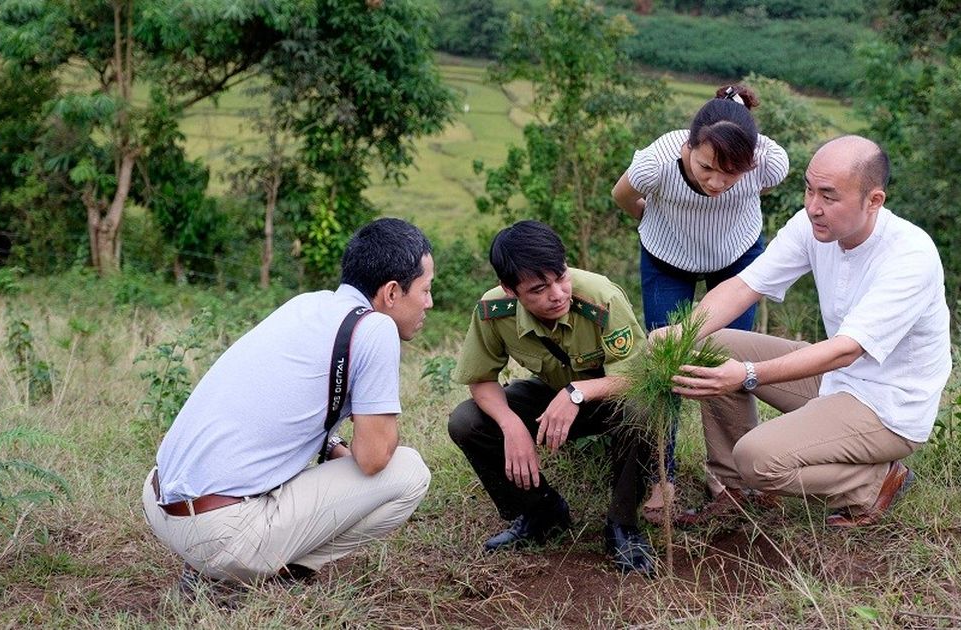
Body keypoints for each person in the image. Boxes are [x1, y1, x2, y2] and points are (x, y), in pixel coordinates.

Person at [660, 135, 951, 528]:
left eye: (829, 196)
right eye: (809, 190)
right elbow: (746, 286)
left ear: (874, 201)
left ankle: (873, 482)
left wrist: (747, 373)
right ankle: (737, 494)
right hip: (836, 379)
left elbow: (846, 350)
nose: (813, 207)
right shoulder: (812, 225)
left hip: (887, 407)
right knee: (709, 346)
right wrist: (683, 333)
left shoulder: (910, 256)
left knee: (757, 458)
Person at [142, 218, 435, 587]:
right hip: (219, 534)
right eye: (425, 290)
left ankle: (225, 562)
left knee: (338, 461)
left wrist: (332, 447)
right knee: (408, 471)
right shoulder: (375, 329)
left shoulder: (306, 305)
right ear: (392, 293)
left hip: (158, 502)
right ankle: (267, 573)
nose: (429, 303)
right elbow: (375, 457)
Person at [611, 83, 790, 517]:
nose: (717, 182)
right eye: (707, 167)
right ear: (689, 145)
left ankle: (728, 478)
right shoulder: (655, 163)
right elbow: (622, 196)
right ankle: (661, 475)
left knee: (725, 361)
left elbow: (755, 189)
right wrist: (659, 219)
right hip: (667, 256)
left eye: (732, 174)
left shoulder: (770, 162)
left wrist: (726, 211)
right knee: (666, 358)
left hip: (736, 256)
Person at [447, 220, 654, 575]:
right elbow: (481, 379)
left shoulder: (601, 297)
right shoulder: (493, 311)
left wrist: (577, 393)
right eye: (539, 289)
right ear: (509, 290)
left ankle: (624, 526)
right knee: (467, 422)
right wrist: (511, 424)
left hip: (606, 396)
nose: (557, 294)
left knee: (640, 407)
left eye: (561, 277)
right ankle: (542, 514)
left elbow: (636, 376)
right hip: (549, 396)